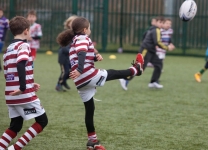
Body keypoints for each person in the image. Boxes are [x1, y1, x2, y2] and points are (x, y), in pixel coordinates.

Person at [56, 17, 144, 150]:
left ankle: (92, 142)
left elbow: (82, 55)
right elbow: (81, 53)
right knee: (112, 73)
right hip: (86, 75)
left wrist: (94, 57)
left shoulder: (75, 40)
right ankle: (135, 70)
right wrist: (80, 70)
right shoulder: (82, 38)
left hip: (80, 81)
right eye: (89, 27)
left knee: (89, 110)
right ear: (85, 30)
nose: (90, 30)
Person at [0, 16, 48, 150]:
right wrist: (23, 87)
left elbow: (8, 73)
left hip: (10, 94)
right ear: (25, 31)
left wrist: (30, 82)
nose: (30, 34)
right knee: (42, 121)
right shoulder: (23, 45)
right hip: (23, 93)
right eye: (29, 31)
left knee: (16, 125)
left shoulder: (8, 49)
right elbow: (21, 64)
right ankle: (14, 149)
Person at [119, 16, 174, 90]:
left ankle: (153, 82)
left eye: (162, 23)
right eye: (160, 22)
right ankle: (125, 79)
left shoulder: (156, 29)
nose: (162, 24)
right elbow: (157, 42)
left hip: (151, 51)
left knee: (159, 64)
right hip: (146, 50)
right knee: (140, 68)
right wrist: (167, 48)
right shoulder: (156, 30)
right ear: (156, 22)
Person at [56, 15, 78, 91]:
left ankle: (64, 81)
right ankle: (58, 84)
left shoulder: (76, 34)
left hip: (70, 58)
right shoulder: (66, 34)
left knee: (72, 72)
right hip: (64, 57)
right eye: (72, 22)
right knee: (64, 72)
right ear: (68, 24)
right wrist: (73, 52)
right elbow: (64, 47)